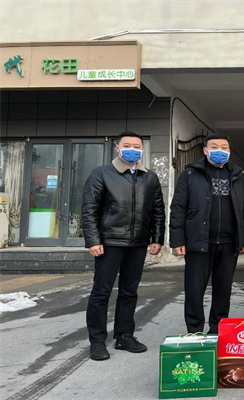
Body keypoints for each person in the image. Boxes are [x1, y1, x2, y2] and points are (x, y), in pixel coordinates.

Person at [82, 131, 165, 361]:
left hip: (138, 243)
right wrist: (93, 240)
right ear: (117, 148)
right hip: (109, 242)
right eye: (127, 145)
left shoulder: (150, 177)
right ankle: (97, 341)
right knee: (101, 292)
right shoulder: (102, 174)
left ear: (142, 149)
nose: (132, 149)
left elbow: (158, 210)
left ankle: (124, 335)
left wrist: (157, 238)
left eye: (137, 146)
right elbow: (89, 209)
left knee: (129, 292)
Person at [170, 133, 244, 334]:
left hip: (229, 243)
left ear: (229, 152)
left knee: (223, 290)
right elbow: (178, 208)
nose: (219, 151)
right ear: (205, 151)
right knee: (194, 290)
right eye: (214, 147)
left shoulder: (237, 175)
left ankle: (217, 330)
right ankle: (194, 331)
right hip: (199, 241)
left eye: (224, 148)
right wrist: (177, 239)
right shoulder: (191, 174)